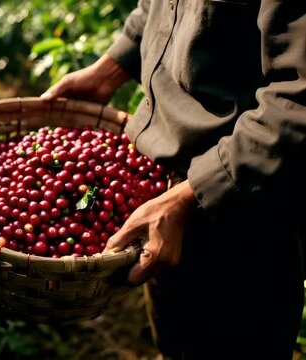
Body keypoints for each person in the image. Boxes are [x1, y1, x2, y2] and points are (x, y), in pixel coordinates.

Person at [41, 1, 306, 359]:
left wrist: (192, 195)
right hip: (161, 203)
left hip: (240, 215)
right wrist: (111, 68)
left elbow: (298, 100)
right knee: (175, 343)